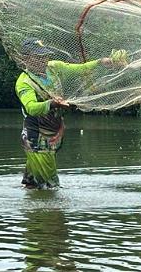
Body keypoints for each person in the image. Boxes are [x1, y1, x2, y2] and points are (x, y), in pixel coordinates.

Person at [16, 38, 127, 189]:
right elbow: (31, 108)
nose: (43, 60)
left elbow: (81, 69)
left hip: (52, 133)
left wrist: (101, 62)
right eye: (38, 56)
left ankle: (34, 209)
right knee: (51, 187)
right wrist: (52, 103)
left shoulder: (54, 68)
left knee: (33, 186)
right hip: (36, 137)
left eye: (45, 56)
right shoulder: (24, 82)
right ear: (25, 58)